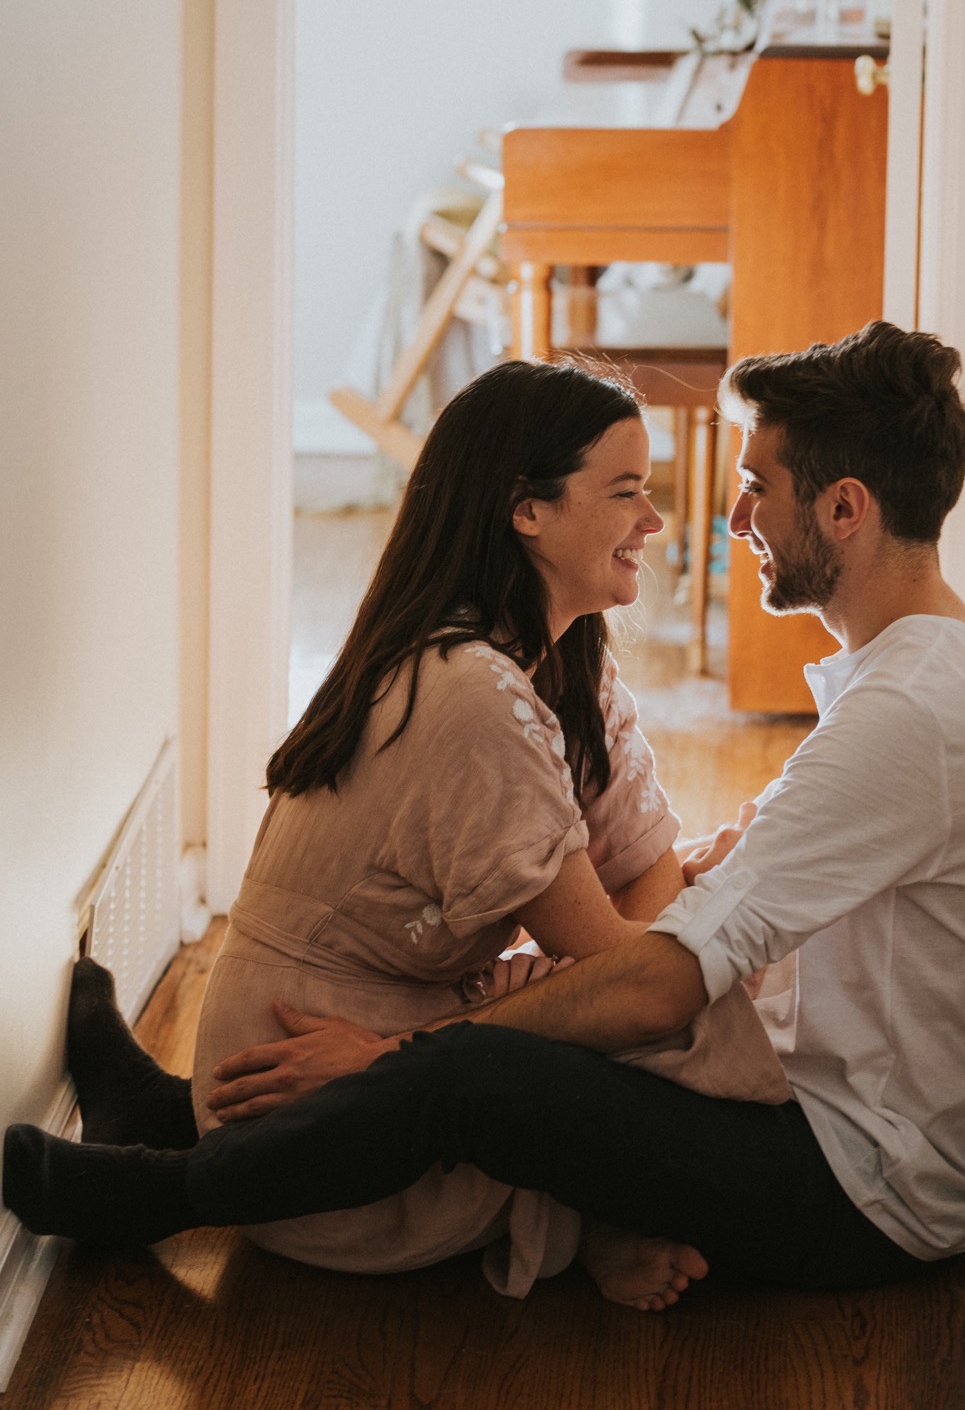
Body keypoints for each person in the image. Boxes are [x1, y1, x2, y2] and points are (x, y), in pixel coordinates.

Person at [6, 322, 965, 1301]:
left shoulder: (911, 710)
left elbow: (653, 985)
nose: (729, 519)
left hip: (861, 1185)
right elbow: (662, 935)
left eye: (755, 487)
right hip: (849, 1126)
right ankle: (169, 1123)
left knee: (472, 1069)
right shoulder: (932, 684)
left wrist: (397, 1057)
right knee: (528, 1031)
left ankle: (157, 1201)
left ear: (845, 510)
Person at [59, 358, 787, 1311]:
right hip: (314, 1127)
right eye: (626, 493)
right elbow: (628, 974)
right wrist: (623, 945)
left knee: (694, 945)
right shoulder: (471, 695)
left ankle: (158, 1113)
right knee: (710, 992)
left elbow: (643, 871)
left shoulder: (561, 662)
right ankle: (586, 1225)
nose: (655, 521)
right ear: (528, 511)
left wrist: (641, 925)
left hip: (363, 1051)